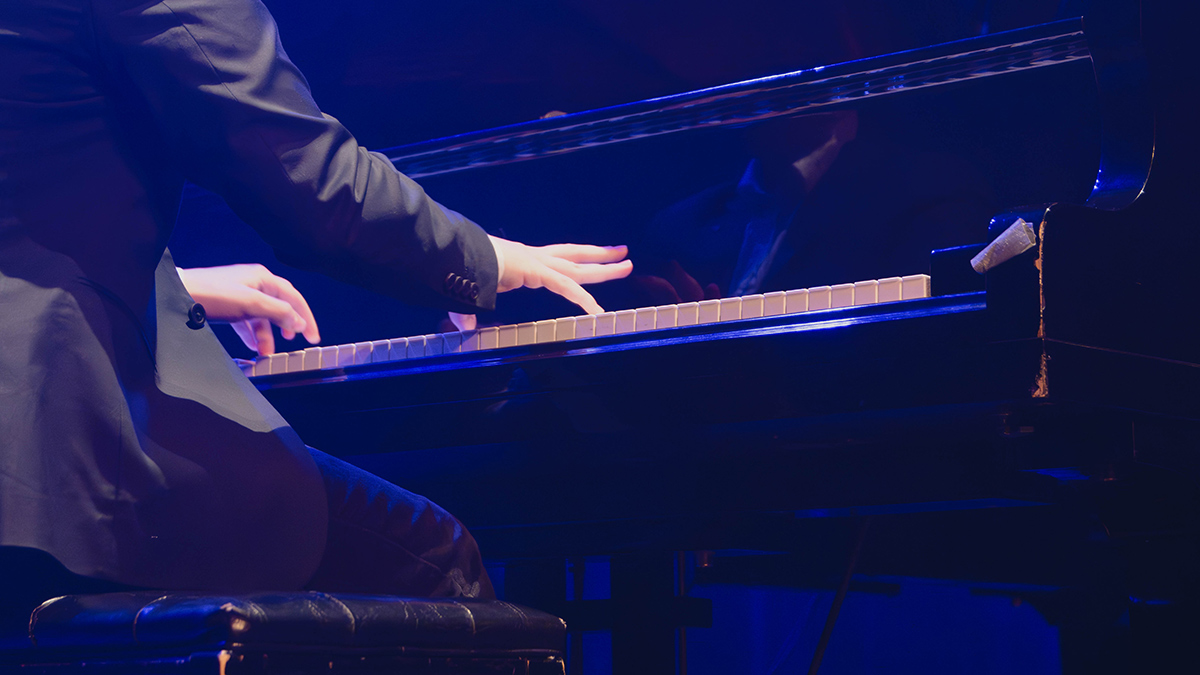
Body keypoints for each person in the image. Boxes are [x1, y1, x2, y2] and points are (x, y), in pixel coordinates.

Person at [0, 0, 630, 607]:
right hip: (50, 452)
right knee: (430, 563)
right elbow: (311, 179)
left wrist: (173, 282)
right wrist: (486, 258)